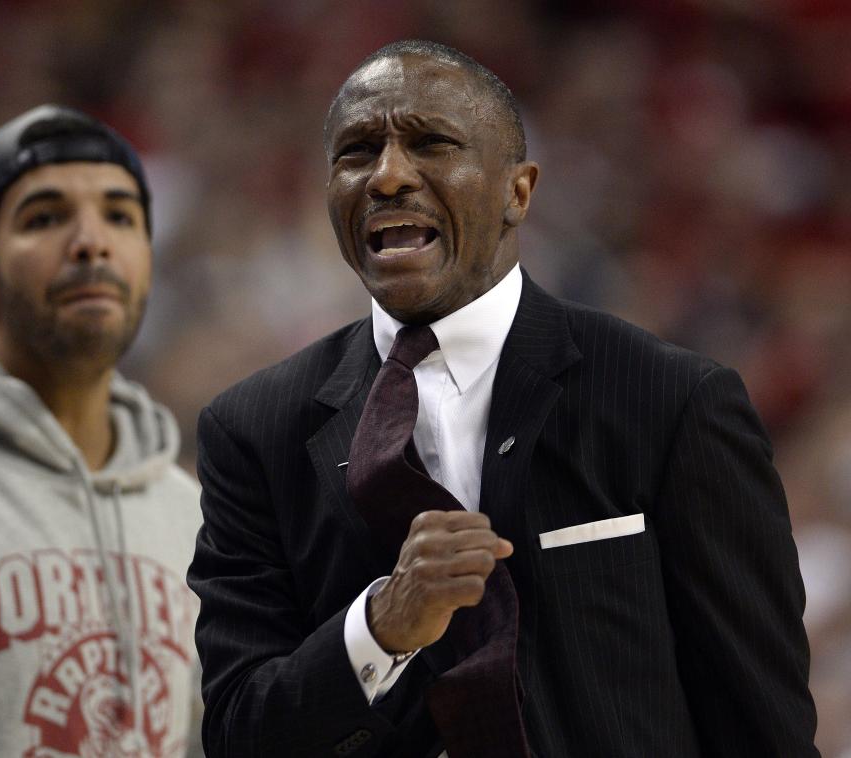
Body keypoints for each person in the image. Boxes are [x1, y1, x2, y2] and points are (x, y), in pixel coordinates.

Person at [188, 40, 818, 757]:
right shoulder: (252, 430)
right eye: (357, 152)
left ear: (518, 191)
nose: (389, 176)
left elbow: (761, 719)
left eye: (431, 143)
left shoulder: (672, 401)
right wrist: (379, 629)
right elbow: (240, 734)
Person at [0, 105, 203, 757]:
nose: (92, 242)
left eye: (120, 216)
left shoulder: (189, 516)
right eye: (46, 217)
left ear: (147, 260)